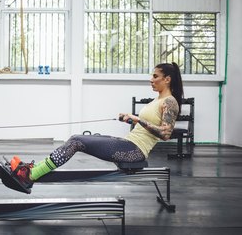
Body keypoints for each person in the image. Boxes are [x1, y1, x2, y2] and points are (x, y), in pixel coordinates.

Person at [10, 62, 184, 189]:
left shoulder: (170, 102)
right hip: (130, 144)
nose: (151, 80)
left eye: (155, 76)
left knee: (76, 140)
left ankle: (30, 175)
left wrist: (137, 119)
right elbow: (149, 123)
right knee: (77, 139)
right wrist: (131, 118)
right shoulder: (158, 99)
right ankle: (33, 170)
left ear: (167, 79)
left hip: (135, 152)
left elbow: (165, 134)